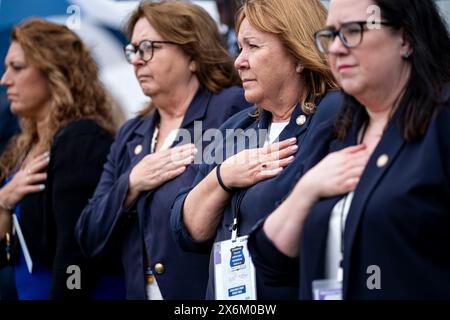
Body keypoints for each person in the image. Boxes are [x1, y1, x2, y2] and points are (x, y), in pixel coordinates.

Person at [248, 0, 450, 299]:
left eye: (353, 31)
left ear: (405, 39)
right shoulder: (337, 129)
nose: (337, 48)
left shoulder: (442, 120)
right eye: (329, 36)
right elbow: (270, 261)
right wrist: (307, 190)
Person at [75, 0, 250, 300]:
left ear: (192, 55)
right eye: (133, 51)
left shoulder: (230, 108)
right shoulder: (131, 134)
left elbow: (242, 209)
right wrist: (131, 183)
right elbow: (87, 235)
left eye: (148, 48)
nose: (137, 61)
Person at [171, 0, 342, 300]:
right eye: (240, 47)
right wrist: (224, 177)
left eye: (253, 46)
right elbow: (188, 232)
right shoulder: (236, 127)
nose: (239, 61)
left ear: (299, 53)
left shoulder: (334, 116)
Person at [0, 18, 121, 299]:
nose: (5, 80)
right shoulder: (25, 144)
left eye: (17, 68)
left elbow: (76, 250)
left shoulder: (81, 140)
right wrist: (4, 200)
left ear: (54, 72)